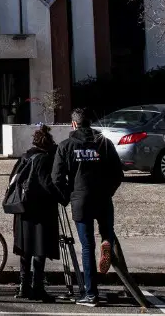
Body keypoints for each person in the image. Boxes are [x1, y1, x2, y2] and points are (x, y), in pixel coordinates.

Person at [52, 107, 124, 307]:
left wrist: (67, 196)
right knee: (107, 231)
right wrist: (108, 191)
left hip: (81, 200)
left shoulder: (66, 146)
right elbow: (118, 174)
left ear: (73, 124)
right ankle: (107, 240)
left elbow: (56, 178)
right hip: (103, 198)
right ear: (90, 123)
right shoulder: (104, 143)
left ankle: (91, 294)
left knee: (87, 247)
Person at [11, 124, 63, 302]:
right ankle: (38, 287)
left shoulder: (25, 156)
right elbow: (47, 184)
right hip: (40, 211)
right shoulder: (43, 159)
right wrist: (63, 197)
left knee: (25, 250)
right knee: (40, 250)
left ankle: (23, 286)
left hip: (23, 210)